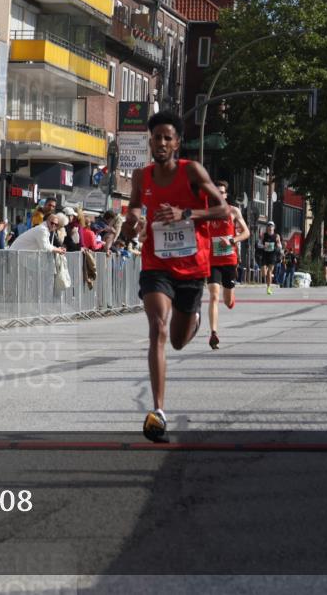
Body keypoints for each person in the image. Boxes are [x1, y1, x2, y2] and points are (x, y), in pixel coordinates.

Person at [120, 110, 229, 441]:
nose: (162, 143)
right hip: (157, 264)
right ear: (150, 142)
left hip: (193, 266)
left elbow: (223, 208)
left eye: (168, 138)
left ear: (177, 143)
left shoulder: (192, 171)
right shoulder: (142, 176)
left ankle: (193, 319)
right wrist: (134, 221)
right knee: (158, 328)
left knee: (179, 341)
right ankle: (158, 411)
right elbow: (136, 206)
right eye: (157, 138)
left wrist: (188, 213)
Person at [206, 180, 250, 349]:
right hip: (213, 260)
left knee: (227, 300)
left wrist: (233, 240)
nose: (219, 194)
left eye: (222, 192)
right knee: (214, 295)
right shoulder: (207, 212)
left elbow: (246, 232)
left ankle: (231, 299)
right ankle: (213, 334)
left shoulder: (233, 211)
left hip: (229, 260)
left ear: (226, 195)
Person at [260, 222, 283, 295]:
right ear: (267, 228)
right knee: (264, 273)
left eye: (271, 226)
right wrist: (262, 246)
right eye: (269, 226)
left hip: (273, 255)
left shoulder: (276, 236)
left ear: (274, 227)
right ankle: (269, 275)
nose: (270, 228)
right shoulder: (264, 235)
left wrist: (279, 246)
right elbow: (259, 243)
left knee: (269, 272)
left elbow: (280, 245)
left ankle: (269, 288)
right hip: (265, 254)